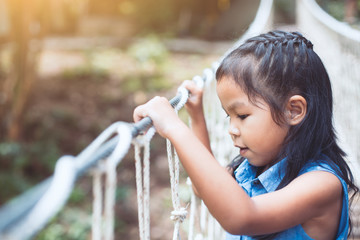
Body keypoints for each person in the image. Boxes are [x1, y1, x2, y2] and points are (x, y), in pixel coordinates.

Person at [133, 31, 359, 239]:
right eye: (228, 117)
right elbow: (204, 187)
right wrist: (197, 118)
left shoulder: (321, 184)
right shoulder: (252, 167)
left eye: (241, 115)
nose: (231, 128)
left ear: (294, 111)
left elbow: (242, 218)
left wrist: (175, 128)